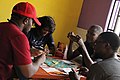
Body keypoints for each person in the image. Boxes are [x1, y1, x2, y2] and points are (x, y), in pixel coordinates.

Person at [0, 2, 46, 79]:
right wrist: (40, 61)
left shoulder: (2, 26)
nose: (32, 26)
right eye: (32, 22)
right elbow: (28, 72)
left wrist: (28, 51)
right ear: (26, 20)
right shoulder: (19, 36)